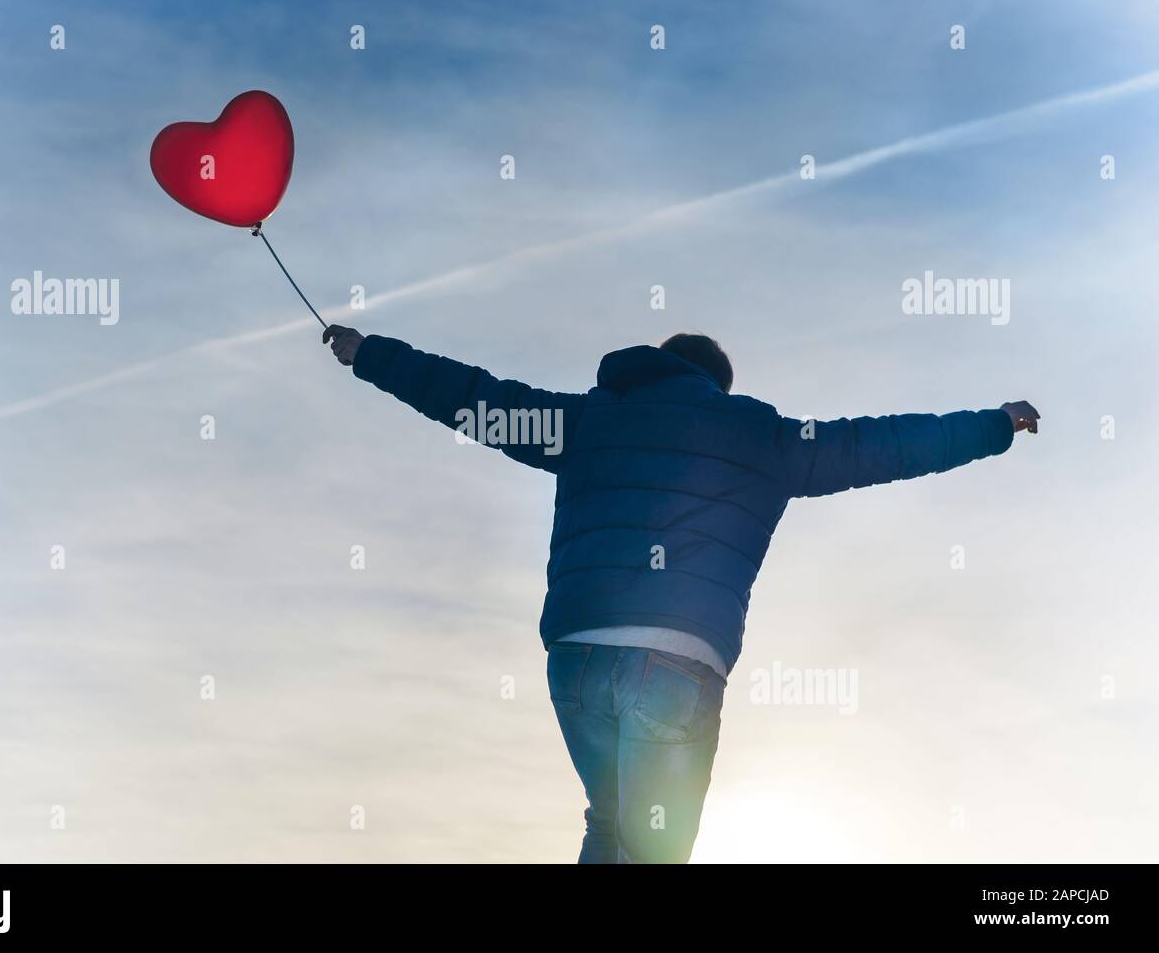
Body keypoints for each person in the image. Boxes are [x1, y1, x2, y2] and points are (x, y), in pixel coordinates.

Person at [322, 324, 1039, 863]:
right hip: (674, 668)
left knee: (611, 826)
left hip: (576, 663)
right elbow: (886, 445)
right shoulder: (765, 438)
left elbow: (474, 399)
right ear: (718, 387)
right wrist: (994, 424)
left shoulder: (586, 421)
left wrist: (370, 355)